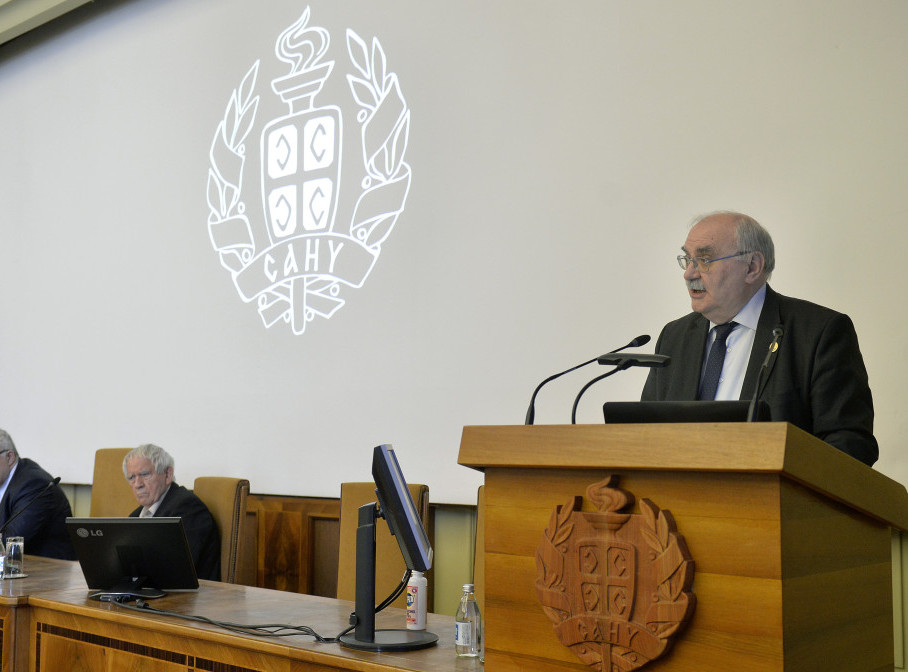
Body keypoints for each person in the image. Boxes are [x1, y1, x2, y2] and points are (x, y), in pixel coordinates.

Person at [641, 211, 878, 466]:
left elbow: (849, 443)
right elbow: (644, 433)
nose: (689, 274)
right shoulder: (674, 337)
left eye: (705, 260)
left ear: (752, 267)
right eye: (688, 259)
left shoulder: (818, 332)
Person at [123, 444, 221, 580]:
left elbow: (176, 568)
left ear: (167, 474)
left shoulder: (188, 508)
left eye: (145, 474)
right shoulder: (136, 516)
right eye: (131, 478)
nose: (138, 484)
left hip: (188, 592)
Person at [0, 429, 76, 559]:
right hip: (19, 565)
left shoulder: (34, 484)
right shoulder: (5, 477)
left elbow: (11, 541)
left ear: (10, 457)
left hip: (52, 568)